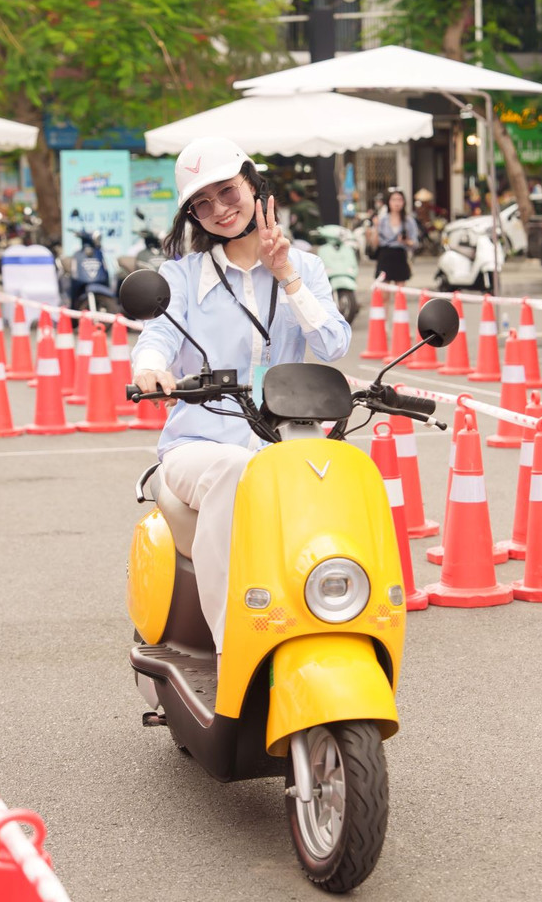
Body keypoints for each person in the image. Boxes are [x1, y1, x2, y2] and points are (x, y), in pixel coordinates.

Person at [130, 136, 350, 653]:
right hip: (199, 444)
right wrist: (150, 367)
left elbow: (334, 344)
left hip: (287, 440)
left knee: (346, 484)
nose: (217, 210)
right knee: (234, 468)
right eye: (200, 204)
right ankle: (239, 647)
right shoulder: (181, 276)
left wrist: (287, 276)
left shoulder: (306, 266)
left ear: (253, 186)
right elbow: (158, 334)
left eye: (227, 192)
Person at [367, 188, 419, 287]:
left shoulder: (408, 221)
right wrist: (376, 227)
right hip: (385, 257)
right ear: (389, 202)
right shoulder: (383, 220)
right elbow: (375, 244)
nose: (397, 203)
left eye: (399, 200)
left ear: (404, 202)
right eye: (394, 200)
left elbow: (415, 243)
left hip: (400, 257)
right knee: (384, 295)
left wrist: (406, 241)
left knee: (400, 294)